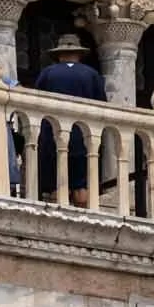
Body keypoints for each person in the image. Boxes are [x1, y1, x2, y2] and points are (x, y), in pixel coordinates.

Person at [32, 31, 108, 205]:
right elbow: (102, 105)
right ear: (79, 55)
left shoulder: (47, 73)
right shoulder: (91, 74)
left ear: (58, 55)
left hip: (53, 135)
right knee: (81, 186)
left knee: (57, 184)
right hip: (83, 137)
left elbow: (36, 103)